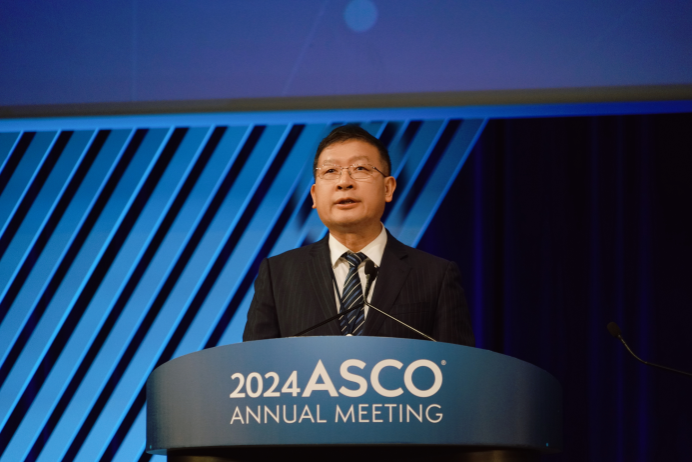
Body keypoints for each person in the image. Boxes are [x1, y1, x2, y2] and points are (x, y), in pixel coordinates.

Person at [243, 125, 475, 346]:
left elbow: (459, 366)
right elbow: (253, 364)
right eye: (330, 171)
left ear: (388, 188)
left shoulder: (435, 276)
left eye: (360, 169)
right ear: (314, 195)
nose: (344, 182)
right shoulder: (278, 274)